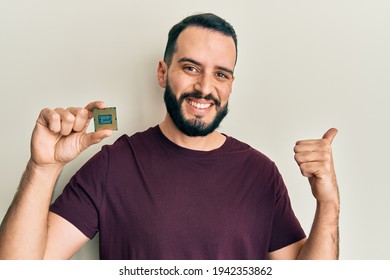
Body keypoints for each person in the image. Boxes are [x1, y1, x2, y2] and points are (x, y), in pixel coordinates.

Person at [0, 13, 339, 260]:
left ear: (231, 84)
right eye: (190, 68)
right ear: (163, 72)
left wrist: (328, 203)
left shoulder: (261, 174)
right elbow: (20, 269)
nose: (205, 88)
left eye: (220, 74)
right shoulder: (113, 165)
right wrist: (42, 168)